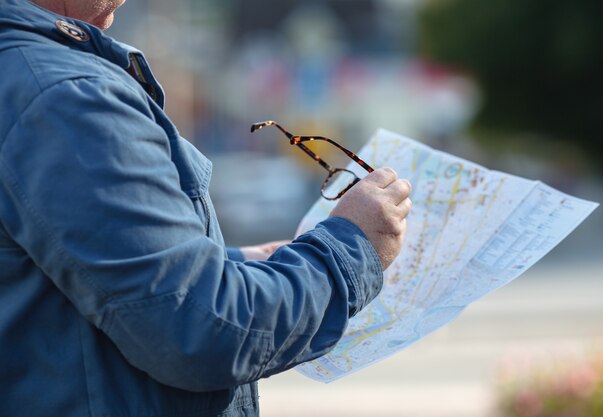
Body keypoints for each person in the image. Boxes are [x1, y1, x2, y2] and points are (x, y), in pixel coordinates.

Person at [0, 0, 413, 416]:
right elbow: (199, 329)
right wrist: (352, 246)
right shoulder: (67, 97)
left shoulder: (25, 77)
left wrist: (227, 264)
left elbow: (55, 274)